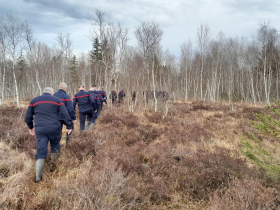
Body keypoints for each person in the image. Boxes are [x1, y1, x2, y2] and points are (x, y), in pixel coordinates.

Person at [25, 87, 72, 183]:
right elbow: (65, 114)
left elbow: (28, 117)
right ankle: (53, 168)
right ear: (52, 93)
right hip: (55, 128)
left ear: (43, 92)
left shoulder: (34, 100)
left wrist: (30, 127)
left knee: (41, 151)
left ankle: (38, 178)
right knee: (55, 146)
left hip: (40, 129)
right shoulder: (57, 100)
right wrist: (69, 125)